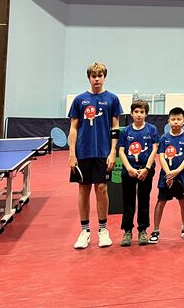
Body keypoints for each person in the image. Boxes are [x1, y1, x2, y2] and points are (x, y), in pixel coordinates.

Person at [68, 61, 123, 249]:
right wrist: (72, 153)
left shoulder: (112, 99)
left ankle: (103, 230)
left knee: (102, 188)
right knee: (83, 189)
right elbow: (73, 128)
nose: (97, 79)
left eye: (100, 75)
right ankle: (84, 231)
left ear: (104, 77)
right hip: (83, 152)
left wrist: (113, 151)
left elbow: (115, 128)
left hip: (103, 152)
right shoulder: (79, 100)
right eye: (94, 76)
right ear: (89, 78)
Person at [150, 106, 184, 243]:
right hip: (166, 177)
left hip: (182, 176)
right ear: (168, 121)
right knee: (161, 201)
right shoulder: (164, 138)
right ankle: (156, 230)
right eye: (173, 119)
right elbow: (161, 156)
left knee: (183, 201)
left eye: (179, 119)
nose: (176, 122)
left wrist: (177, 171)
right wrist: (169, 173)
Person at [117, 98, 159, 246]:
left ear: (146, 114)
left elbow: (154, 149)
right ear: (131, 113)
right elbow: (121, 151)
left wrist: (147, 168)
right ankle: (127, 231)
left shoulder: (152, 129)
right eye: (136, 111)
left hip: (145, 170)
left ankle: (143, 229)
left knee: (143, 200)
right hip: (129, 171)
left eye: (142, 112)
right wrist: (129, 168)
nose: (139, 114)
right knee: (128, 201)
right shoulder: (126, 131)